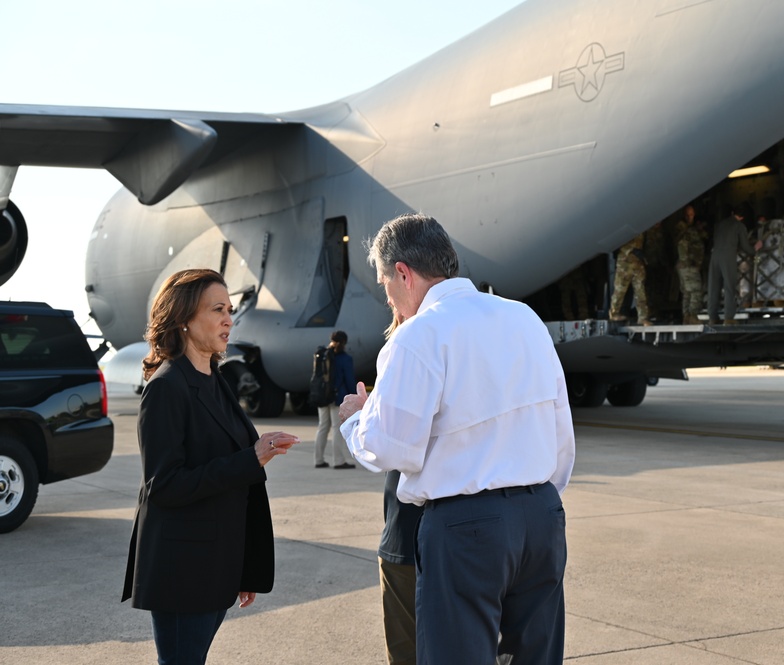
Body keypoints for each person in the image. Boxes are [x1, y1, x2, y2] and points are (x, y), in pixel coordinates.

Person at [339, 213, 575, 665]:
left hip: (467, 527)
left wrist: (356, 420)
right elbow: (560, 429)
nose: (386, 294)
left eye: (384, 281)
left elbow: (390, 447)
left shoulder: (418, 335)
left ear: (403, 273)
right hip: (542, 515)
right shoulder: (523, 318)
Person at [121, 268, 300, 665]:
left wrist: (242, 568)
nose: (228, 319)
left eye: (230, 309)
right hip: (182, 571)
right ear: (184, 318)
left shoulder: (214, 378)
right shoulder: (166, 388)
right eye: (217, 309)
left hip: (215, 565)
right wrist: (252, 457)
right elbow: (164, 485)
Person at [706, 204, 763, 325]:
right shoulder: (739, 226)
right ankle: (728, 318)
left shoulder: (719, 224)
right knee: (729, 287)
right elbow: (745, 246)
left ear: (732, 213)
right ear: (742, 217)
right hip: (728, 257)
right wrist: (755, 248)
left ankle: (712, 317)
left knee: (713, 287)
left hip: (714, 256)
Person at [311, 330, 357, 469]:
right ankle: (339, 461)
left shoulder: (322, 355)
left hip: (322, 396)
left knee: (322, 427)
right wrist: (354, 395)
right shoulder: (345, 358)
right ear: (344, 342)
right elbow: (349, 380)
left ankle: (318, 460)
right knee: (337, 428)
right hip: (337, 398)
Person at [609, 232, 652, 325]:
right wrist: (632, 250)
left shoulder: (641, 229)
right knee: (620, 290)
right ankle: (614, 313)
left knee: (640, 291)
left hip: (638, 264)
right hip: (625, 264)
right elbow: (617, 243)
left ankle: (642, 317)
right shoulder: (626, 227)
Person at [675, 206, 706, 325]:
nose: (690, 217)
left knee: (687, 293)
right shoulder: (684, 229)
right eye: (688, 215)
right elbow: (684, 245)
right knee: (696, 291)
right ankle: (693, 316)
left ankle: (686, 317)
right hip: (689, 265)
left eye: (692, 214)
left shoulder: (691, 229)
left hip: (684, 265)